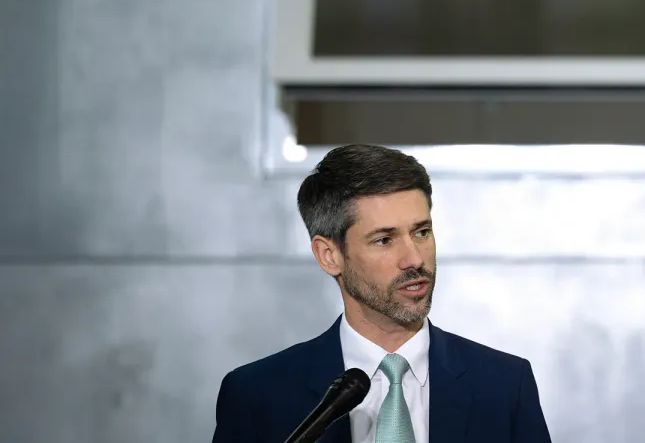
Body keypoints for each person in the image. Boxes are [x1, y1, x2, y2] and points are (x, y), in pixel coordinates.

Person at [212, 144, 553, 443]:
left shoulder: (504, 386)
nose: (414, 259)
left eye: (421, 232)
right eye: (384, 240)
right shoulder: (257, 395)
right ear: (329, 255)